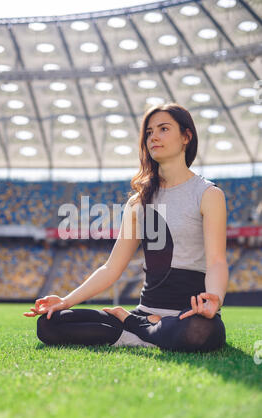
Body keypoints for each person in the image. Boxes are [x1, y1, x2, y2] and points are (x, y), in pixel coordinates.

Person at [23, 102, 228, 353]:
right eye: (149, 132)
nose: (154, 137)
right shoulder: (138, 201)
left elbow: (217, 260)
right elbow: (111, 268)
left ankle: (134, 326)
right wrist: (65, 301)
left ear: (186, 136)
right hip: (146, 311)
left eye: (163, 129)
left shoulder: (208, 194)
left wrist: (215, 299)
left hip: (187, 315)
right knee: (49, 324)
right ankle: (148, 329)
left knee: (200, 332)